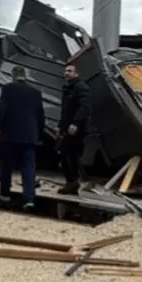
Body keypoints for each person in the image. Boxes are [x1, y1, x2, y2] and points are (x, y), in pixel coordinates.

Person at [0, 65, 45, 210]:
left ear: (13, 75)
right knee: (29, 166)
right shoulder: (36, 92)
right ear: (25, 76)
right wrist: (39, 135)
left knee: (7, 164)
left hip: (11, 133)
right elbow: (40, 115)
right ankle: (29, 199)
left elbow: (1, 109)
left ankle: (5, 193)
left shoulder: (8, 89)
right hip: (30, 135)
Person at [56, 62, 92, 195]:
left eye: (70, 71)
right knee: (67, 154)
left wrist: (76, 123)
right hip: (68, 126)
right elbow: (65, 110)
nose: (66, 73)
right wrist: (60, 126)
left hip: (77, 128)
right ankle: (72, 182)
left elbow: (84, 107)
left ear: (77, 74)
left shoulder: (81, 87)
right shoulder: (67, 88)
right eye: (65, 71)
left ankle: (72, 182)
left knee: (69, 154)